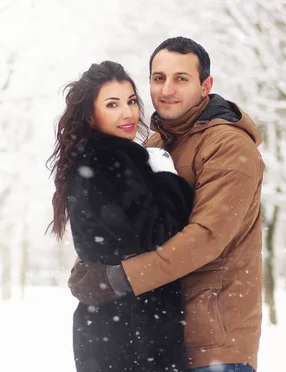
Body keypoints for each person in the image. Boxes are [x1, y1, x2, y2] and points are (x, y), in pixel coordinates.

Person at [68, 37, 265, 372]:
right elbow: (124, 223)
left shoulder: (229, 146)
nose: (167, 89)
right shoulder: (156, 143)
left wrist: (117, 280)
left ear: (206, 86)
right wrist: (86, 268)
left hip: (214, 345)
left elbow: (206, 238)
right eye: (159, 78)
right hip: (161, 336)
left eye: (181, 79)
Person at [47, 60, 195, 372]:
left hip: (115, 326)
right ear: (91, 113)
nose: (127, 113)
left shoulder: (93, 158)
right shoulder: (109, 160)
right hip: (129, 332)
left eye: (130, 101)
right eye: (112, 104)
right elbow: (157, 233)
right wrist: (168, 179)